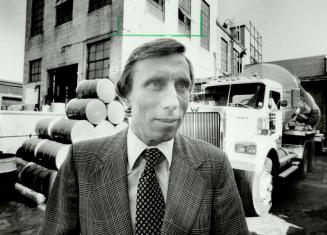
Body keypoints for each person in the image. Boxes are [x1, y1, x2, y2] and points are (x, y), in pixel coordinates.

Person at [38, 38, 249, 234]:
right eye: (155, 84)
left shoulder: (214, 164)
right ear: (126, 96)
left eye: (182, 86)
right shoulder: (81, 161)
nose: (173, 102)